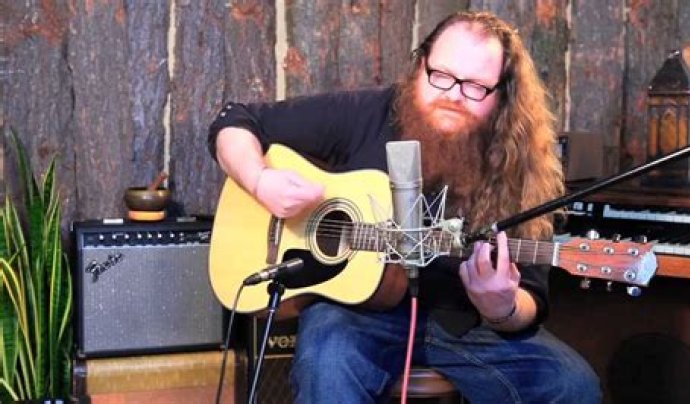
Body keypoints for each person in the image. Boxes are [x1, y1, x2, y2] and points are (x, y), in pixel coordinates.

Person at [208, 10, 601, 403]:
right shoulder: (367, 113)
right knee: (327, 362)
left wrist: (502, 307)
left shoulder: (521, 163)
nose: (452, 95)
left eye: (475, 86)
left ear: (502, 93)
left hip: (465, 323)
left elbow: (531, 295)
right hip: (354, 314)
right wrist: (260, 181)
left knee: (572, 385)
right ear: (421, 63)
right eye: (441, 75)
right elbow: (235, 120)